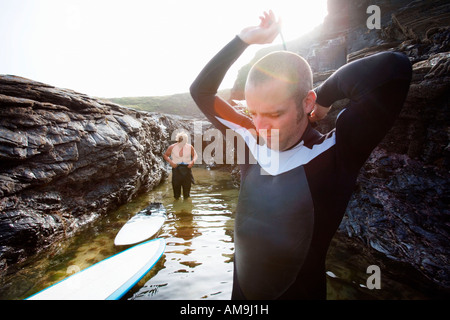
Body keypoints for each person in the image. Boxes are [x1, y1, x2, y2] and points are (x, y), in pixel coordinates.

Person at [190, 10, 412, 299]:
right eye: (253, 112)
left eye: (274, 114)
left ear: (306, 102)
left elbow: (394, 69)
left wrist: (325, 96)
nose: (260, 125)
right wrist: (244, 39)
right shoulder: (249, 139)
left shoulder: (335, 154)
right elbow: (201, 91)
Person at [163, 131, 198, 199]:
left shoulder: (189, 147)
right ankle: (176, 205)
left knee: (187, 192)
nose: (182, 145)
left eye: (184, 143)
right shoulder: (172, 147)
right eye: (180, 143)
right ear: (178, 141)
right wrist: (171, 162)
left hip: (187, 169)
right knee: (176, 192)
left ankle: (186, 206)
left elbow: (195, 155)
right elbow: (165, 155)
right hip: (176, 169)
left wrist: (192, 162)